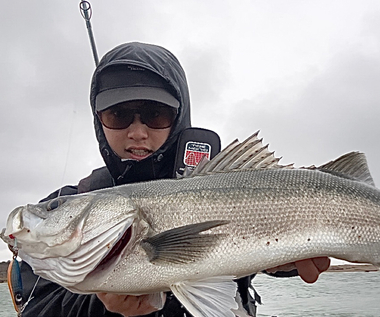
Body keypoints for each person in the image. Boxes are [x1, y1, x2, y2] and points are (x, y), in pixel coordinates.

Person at [19, 42, 330, 317]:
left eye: (156, 115)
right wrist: (103, 306)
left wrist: (285, 261)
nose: (137, 132)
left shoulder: (229, 180)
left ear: (179, 115)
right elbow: (38, 307)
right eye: (118, 114)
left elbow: (256, 248)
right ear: (99, 122)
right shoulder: (76, 201)